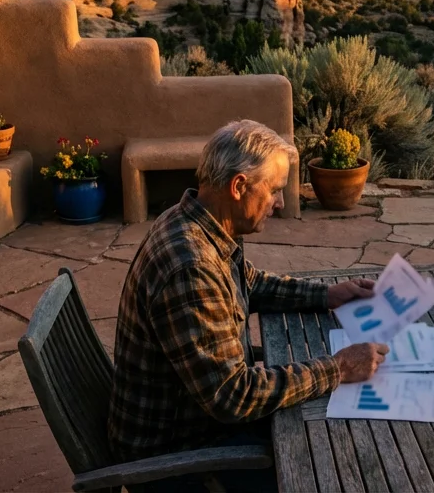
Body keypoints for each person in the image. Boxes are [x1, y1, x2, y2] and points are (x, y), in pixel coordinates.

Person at [108, 119, 389, 481]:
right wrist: (339, 369)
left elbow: (249, 282)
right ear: (239, 186)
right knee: (334, 457)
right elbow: (233, 396)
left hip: (193, 418)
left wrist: (327, 294)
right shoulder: (190, 267)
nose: (280, 202)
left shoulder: (200, 222)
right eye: (274, 190)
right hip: (174, 455)